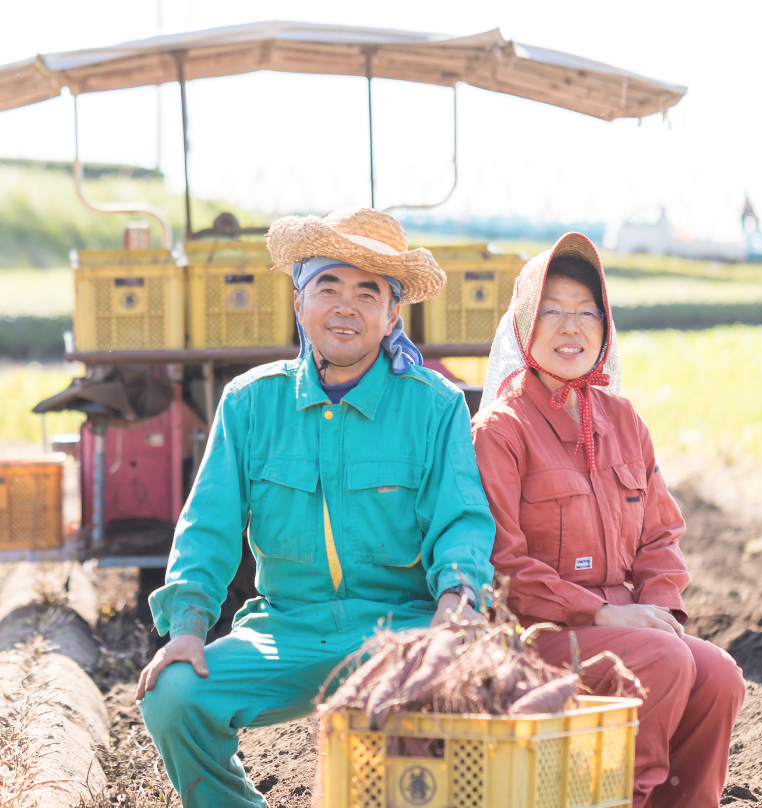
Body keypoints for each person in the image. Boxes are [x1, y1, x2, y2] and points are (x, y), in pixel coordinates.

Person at [137, 207, 494, 808]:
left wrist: (454, 613)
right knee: (172, 693)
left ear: (392, 315)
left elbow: (460, 524)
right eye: (328, 286)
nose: (346, 306)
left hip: (397, 629)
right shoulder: (252, 403)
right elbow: (207, 529)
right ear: (299, 302)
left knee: (441, 717)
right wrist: (188, 628)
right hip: (286, 628)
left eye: (367, 291)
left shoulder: (434, 407)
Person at [471, 232, 745, 808]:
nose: (571, 328)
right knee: (664, 661)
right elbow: (503, 566)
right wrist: (605, 610)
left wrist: (659, 610)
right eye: (552, 312)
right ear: (524, 323)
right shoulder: (500, 430)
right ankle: (623, 799)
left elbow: (661, 536)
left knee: (719, 675)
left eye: (586, 313)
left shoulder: (623, 420)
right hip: (538, 634)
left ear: (605, 326)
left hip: (622, 623)